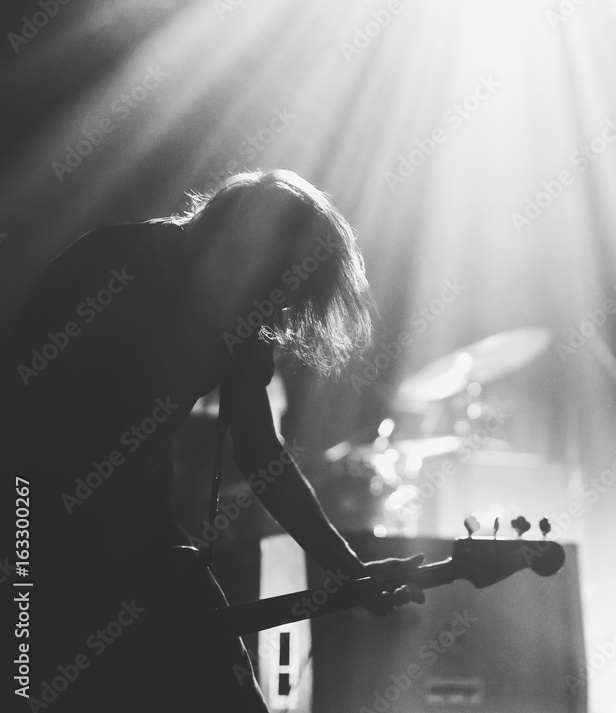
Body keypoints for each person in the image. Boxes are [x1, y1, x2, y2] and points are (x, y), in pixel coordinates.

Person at [2, 170, 424, 712]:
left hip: (138, 538)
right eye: (280, 287)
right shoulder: (117, 264)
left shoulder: (238, 320)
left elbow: (260, 453)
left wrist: (346, 567)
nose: (278, 313)